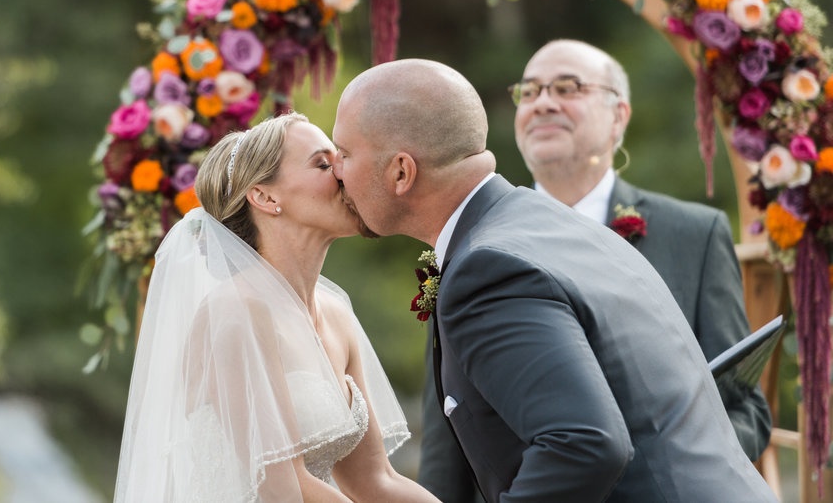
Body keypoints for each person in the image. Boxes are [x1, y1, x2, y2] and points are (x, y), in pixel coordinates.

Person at [332, 59, 777, 502]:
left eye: (345, 154)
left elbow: (584, 445)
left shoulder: (487, 271)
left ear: (402, 172)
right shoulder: (553, 224)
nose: (337, 170)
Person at [113, 113, 441, 502]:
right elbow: (284, 488)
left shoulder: (335, 313)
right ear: (266, 197)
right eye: (322, 163)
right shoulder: (234, 312)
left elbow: (375, 482)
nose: (343, 173)